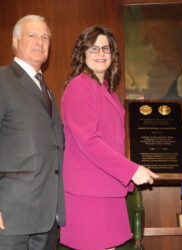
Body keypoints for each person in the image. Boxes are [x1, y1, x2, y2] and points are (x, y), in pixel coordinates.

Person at [60, 26, 158, 250]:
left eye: (106, 48)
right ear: (82, 53)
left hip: (108, 187)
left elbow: (113, 140)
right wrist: (132, 170)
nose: (101, 53)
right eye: (93, 48)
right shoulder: (79, 87)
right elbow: (89, 141)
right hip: (88, 192)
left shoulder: (107, 89)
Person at [0, 15, 65, 250]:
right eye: (32, 35)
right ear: (15, 41)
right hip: (10, 216)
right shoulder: (2, 79)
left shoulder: (47, 91)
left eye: (45, 37)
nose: (40, 42)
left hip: (46, 218)